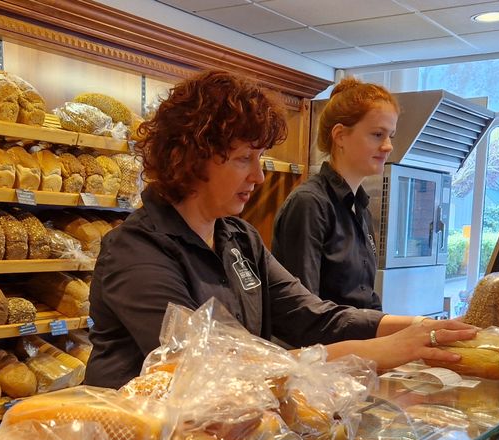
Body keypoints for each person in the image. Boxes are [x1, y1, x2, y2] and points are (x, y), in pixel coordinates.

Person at [85, 70, 475, 390]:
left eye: (260, 159)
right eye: (243, 159)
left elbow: (311, 316)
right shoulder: (135, 251)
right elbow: (203, 367)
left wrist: (422, 327)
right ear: (188, 159)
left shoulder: (238, 238)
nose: (258, 176)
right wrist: (378, 351)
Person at [271, 78, 396, 310]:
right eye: (378, 134)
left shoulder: (360, 209)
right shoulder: (309, 204)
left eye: (391, 136)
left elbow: (366, 301)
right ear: (340, 136)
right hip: (321, 347)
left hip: (357, 344)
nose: (388, 145)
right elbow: (305, 311)